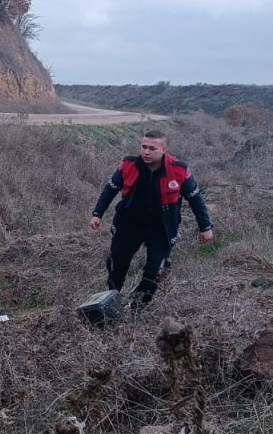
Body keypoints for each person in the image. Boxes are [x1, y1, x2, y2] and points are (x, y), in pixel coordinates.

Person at [91, 130, 214, 304]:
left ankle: (138, 307)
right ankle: (111, 301)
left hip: (162, 228)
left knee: (155, 270)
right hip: (129, 223)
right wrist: (97, 214)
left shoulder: (179, 170)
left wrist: (205, 227)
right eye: (144, 147)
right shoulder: (128, 165)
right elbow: (110, 188)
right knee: (116, 264)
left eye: (152, 148)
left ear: (164, 149)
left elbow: (195, 198)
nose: (146, 152)